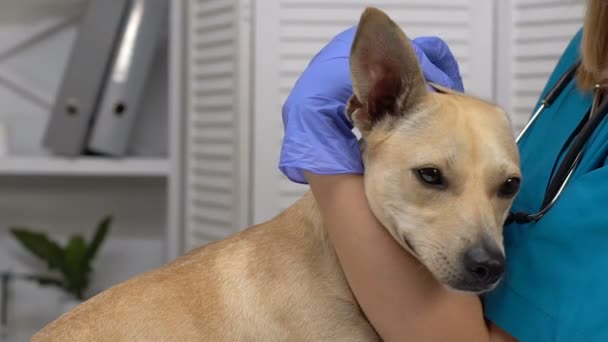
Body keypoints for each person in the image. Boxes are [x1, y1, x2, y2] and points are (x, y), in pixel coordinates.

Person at [279, 0, 608, 340]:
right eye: (432, 176)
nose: (486, 252)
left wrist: (327, 169)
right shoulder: (588, 50)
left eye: (507, 186)